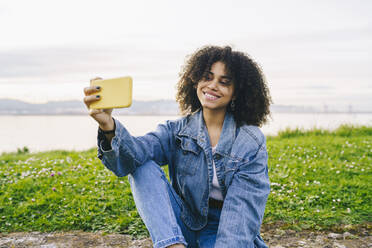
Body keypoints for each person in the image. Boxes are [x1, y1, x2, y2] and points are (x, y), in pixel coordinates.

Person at [83, 45, 272, 248]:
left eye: (224, 82)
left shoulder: (250, 141)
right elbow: (129, 159)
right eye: (207, 77)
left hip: (224, 232)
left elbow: (241, 214)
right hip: (185, 225)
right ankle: (173, 246)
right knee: (141, 166)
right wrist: (107, 125)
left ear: (235, 93)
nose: (213, 86)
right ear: (196, 80)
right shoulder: (176, 131)